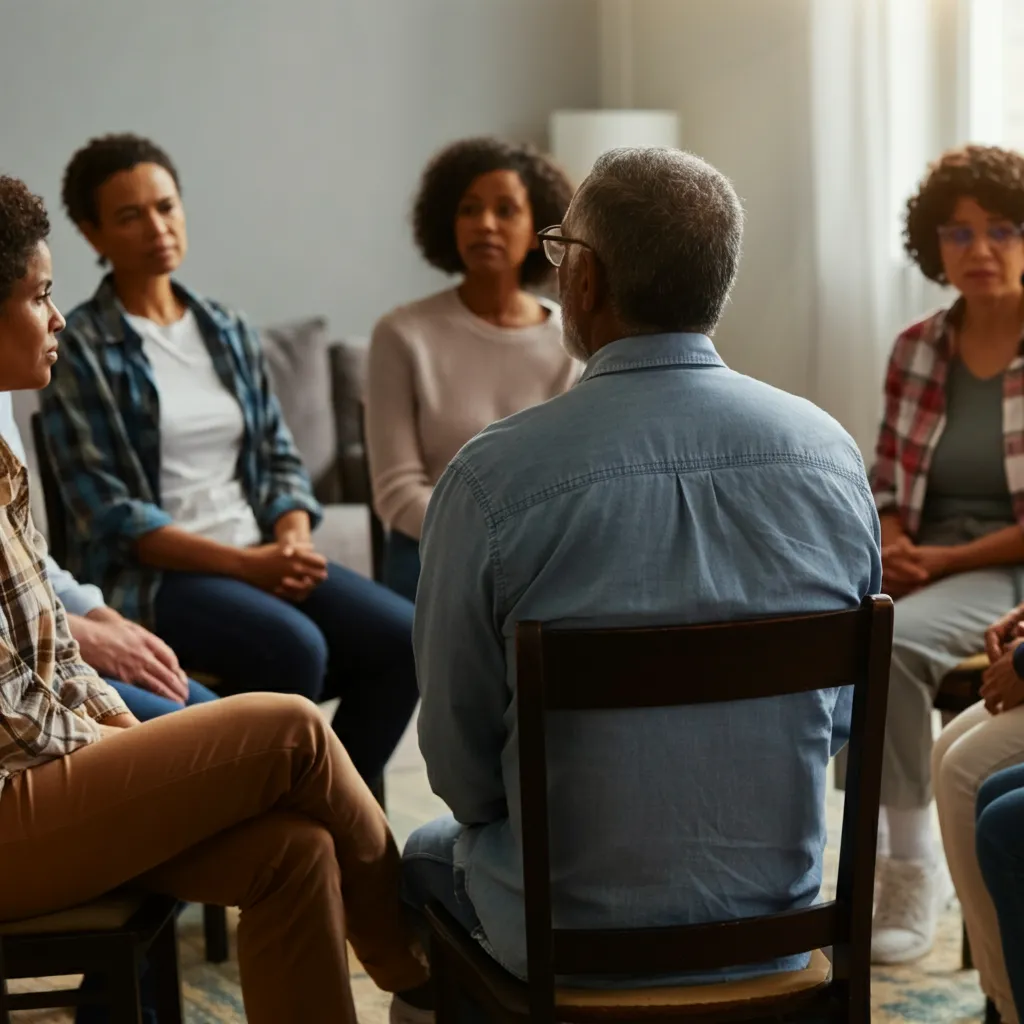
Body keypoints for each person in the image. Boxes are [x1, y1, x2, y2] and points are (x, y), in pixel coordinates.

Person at [391, 147, 881, 1022]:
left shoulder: (491, 481)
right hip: (776, 923)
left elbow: (462, 773)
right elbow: (834, 720)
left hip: (561, 936)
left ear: (585, 281)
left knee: (421, 860)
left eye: (558, 247)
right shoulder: (829, 457)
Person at [0, 174, 427, 1024]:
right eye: (40, 296)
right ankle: (419, 966)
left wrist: (127, 743)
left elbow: (45, 662)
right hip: (14, 801)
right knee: (292, 726)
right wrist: (136, 756)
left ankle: (403, 964)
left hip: (43, 769)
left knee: (294, 851)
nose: (56, 318)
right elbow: (21, 715)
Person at [39, 134, 419, 785]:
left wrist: (290, 542)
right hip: (160, 577)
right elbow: (111, 516)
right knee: (296, 649)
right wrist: (249, 566)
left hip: (262, 551)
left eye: (166, 206)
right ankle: (274, 828)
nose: (157, 227)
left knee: (403, 638)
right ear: (91, 231)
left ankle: (335, 818)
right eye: (130, 216)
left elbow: (278, 458)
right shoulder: (79, 348)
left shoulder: (227, 328)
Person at [866, 145, 1024, 976]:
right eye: (958, 233)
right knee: (841, 615)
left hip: (1008, 568)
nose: (981, 248)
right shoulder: (916, 348)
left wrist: (945, 554)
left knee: (887, 640)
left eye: (1002, 228)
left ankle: (911, 863)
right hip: (932, 556)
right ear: (935, 248)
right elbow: (886, 473)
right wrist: (891, 538)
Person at [366, 138, 579, 601]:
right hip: (430, 551)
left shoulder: (572, 341)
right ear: (448, 222)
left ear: (538, 227)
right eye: (469, 209)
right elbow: (396, 490)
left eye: (506, 210)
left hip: (541, 552)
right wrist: (492, 544)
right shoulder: (401, 333)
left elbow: (575, 480)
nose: (485, 224)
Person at [0, 395, 217, 720]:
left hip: (50, 634)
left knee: (217, 714)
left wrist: (105, 620)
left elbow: (27, 557)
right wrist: (85, 637)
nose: (57, 339)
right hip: (20, 672)